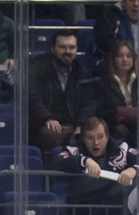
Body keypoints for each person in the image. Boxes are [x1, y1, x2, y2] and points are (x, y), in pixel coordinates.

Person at [84, 39, 139, 150]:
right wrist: (121, 115)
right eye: (120, 56)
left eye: (129, 56)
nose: (125, 59)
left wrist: (138, 114)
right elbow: (100, 114)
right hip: (117, 130)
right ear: (113, 59)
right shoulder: (103, 84)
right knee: (120, 130)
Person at [28, 29, 91, 158]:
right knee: (49, 135)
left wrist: (81, 124)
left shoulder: (83, 71)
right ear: (53, 49)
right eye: (62, 47)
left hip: (74, 124)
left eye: (71, 47)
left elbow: (91, 101)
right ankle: (50, 176)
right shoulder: (38, 67)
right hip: (48, 123)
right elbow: (33, 95)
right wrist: (47, 117)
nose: (67, 51)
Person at [93, 0, 139, 68]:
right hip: (111, 72)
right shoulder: (108, 19)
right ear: (124, 2)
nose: (136, 4)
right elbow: (105, 50)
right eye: (131, 0)